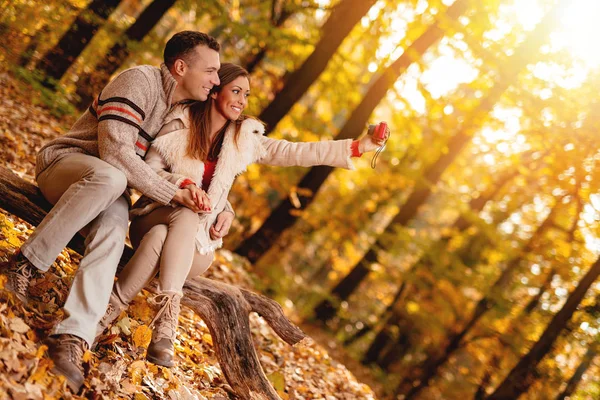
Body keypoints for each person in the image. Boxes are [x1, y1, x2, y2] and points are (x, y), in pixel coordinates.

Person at [95, 63, 387, 368]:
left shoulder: (242, 139)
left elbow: (295, 152)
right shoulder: (179, 121)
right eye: (236, 91)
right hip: (154, 214)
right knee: (181, 214)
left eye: (246, 95)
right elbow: (150, 170)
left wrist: (358, 147)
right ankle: (166, 324)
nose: (242, 101)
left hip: (196, 244)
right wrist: (182, 186)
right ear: (214, 92)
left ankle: (106, 311)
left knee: (167, 233)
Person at [0, 31, 235, 392]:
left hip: (108, 192)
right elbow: (115, 153)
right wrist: (173, 194)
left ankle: (73, 337)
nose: (217, 81)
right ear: (180, 66)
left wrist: (224, 207)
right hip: (64, 168)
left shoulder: (184, 113)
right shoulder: (138, 81)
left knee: (113, 226)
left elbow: (201, 167)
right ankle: (27, 263)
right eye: (211, 71)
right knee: (111, 178)